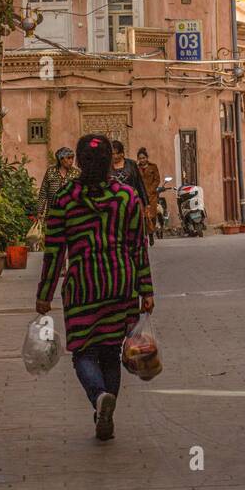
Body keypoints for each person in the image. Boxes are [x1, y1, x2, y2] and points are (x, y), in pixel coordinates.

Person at [35, 134, 154, 442]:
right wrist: (146, 289)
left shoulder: (64, 200)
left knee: (83, 352)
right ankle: (106, 407)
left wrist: (45, 294)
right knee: (110, 353)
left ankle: (99, 397)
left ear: (79, 162)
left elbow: (54, 251)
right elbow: (138, 246)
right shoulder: (127, 197)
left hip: (82, 287)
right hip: (120, 283)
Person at [111, 139, 151, 242]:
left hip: (131, 203)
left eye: (117, 153)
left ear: (122, 153)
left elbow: (139, 184)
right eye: (112, 153)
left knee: (133, 231)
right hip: (114, 205)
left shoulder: (131, 164)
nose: (115, 156)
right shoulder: (107, 167)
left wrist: (146, 204)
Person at [36, 146, 79, 219]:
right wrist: (40, 211)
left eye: (72, 158)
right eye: (68, 158)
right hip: (52, 214)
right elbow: (43, 192)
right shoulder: (50, 171)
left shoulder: (76, 173)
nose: (71, 161)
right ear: (61, 159)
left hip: (70, 215)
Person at [137, 147, 161, 240]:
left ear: (147, 158)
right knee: (143, 216)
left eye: (144, 158)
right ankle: (145, 234)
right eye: (140, 158)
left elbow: (157, 179)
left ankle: (151, 233)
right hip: (140, 195)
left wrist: (151, 189)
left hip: (151, 195)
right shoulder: (136, 168)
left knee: (152, 215)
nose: (142, 160)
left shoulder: (153, 167)